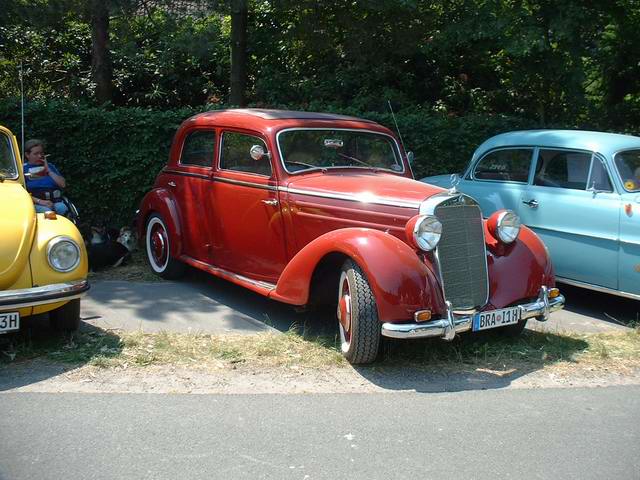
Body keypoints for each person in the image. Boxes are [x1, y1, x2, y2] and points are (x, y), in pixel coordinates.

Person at [22, 139, 69, 215]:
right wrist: (41, 202)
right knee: (47, 211)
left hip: (55, 201)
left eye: (41, 153)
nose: (40, 156)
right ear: (27, 155)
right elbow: (22, 193)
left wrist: (48, 171)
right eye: (36, 154)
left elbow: (63, 184)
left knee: (62, 209)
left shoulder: (50, 166)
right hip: (37, 203)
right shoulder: (23, 169)